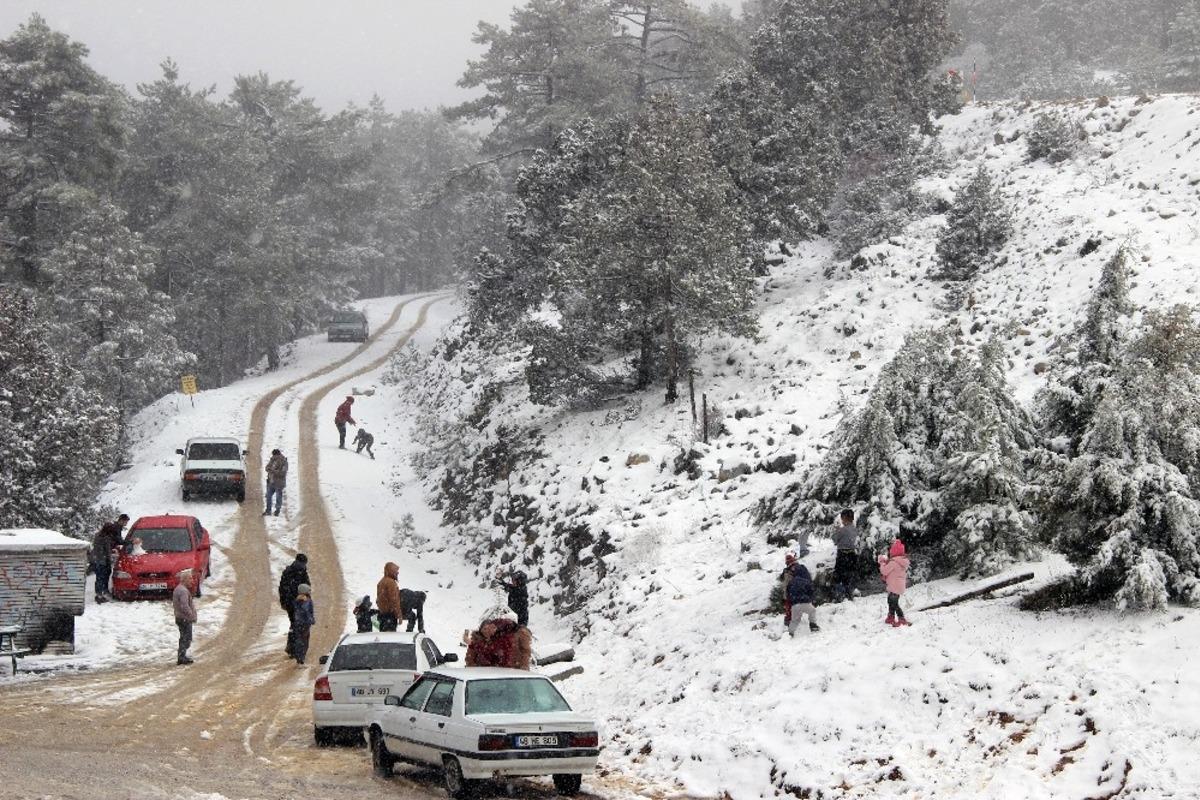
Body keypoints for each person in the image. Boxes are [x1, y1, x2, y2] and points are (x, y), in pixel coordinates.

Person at [465, 617, 532, 670]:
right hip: (487, 671)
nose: (487, 631)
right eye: (484, 629)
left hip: (510, 671)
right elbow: (472, 656)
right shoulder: (480, 639)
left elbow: (525, 652)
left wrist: (524, 667)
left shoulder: (506, 637)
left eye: (491, 628)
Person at [278, 554, 310, 658]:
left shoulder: (302, 572)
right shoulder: (289, 572)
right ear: (297, 562)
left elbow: (307, 586)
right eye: (302, 563)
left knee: (298, 625)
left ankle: (293, 648)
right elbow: (283, 588)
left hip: (300, 603)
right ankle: (293, 648)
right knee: (296, 624)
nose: (303, 565)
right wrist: (285, 602)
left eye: (304, 564)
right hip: (291, 603)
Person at [91, 513, 129, 603]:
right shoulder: (106, 538)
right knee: (101, 577)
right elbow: (106, 549)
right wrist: (111, 555)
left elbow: (100, 548)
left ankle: (101, 593)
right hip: (101, 560)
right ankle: (100, 595)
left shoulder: (98, 535)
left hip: (97, 559)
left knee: (101, 577)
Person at [879, 539, 912, 627]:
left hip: (894, 586)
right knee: (891, 601)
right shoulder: (901, 561)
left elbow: (884, 571)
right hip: (899, 586)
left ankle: (901, 619)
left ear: (893, 551)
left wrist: (882, 562)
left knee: (894, 603)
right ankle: (891, 617)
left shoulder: (893, 562)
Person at [832, 509, 859, 602]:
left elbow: (835, 540)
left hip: (843, 555)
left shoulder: (842, 530)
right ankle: (850, 593)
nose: (842, 520)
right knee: (849, 575)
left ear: (845, 518)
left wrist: (836, 530)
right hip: (852, 554)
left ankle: (841, 596)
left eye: (842, 518)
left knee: (839, 575)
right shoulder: (855, 529)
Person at [785, 562, 820, 636]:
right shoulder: (806, 581)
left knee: (795, 620)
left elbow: (788, 594)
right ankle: (813, 625)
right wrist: (810, 599)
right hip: (805, 602)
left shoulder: (791, 583)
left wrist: (792, 601)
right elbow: (811, 592)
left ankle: (790, 633)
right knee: (812, 611)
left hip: (795, 605)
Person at [173, 569, 198, 665]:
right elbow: (184, 605)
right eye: (190, 578)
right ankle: (181, 657)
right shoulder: (183, 591)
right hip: (184, 619)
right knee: (186, 638)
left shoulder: (179, 589)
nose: (192, 580)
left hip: (180, 617)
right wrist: (191, 615)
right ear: (184, 580)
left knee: (184, 637)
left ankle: (181, 656)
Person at [292, 583, 316, 665]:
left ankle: (299, 657)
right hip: (305, 623)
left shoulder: (297, 599)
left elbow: (297, 611)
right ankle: (301, 659)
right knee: (304, 641)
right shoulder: (306, 600)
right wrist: (311, 620)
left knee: (299, 640)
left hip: (298, 623)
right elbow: (306, 611)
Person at [376, 561, 402, 631]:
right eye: (396, 571)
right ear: (391, 571)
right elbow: (394, 600)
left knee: (383, 637)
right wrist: (398, 615)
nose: (397, 573)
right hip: (390, 616)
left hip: (383, 615)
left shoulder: (381, 581)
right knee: (390, 637)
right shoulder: (391, 583)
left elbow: (378, 600)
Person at [264, 448, 288, 516]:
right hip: (271, 481)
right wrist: (270, 470)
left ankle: (277, 510)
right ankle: (268, 510)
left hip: (279, 483)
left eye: (275, 456)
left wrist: (273, 471)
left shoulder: (284, 461)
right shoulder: (272, 459)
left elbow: (283, 473)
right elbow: (267, 467)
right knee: (268, 496)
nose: (274, 457)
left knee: (278, 497)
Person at [779, 552, 797, 627]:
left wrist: (784, 597)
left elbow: (785, 584)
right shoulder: (801, 567)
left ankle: (788, 622)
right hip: (803, 591)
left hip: (791, 592)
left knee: (788, 605)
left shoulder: (787, 571)